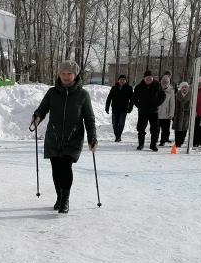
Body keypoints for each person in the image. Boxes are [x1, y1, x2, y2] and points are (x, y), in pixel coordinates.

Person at [30, 60, 97, 214]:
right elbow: (42, 109)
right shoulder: (52, 93)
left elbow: (89, 119)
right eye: (63, 73)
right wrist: (37, 116)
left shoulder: (82, 95)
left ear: (75, 75)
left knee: (66, 167)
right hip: (53, 137)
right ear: (59, 74)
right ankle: (59, 197)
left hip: (73, 138)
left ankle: (65, 200)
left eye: (69, 74)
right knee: (56, 169)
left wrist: (92, 138)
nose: (66, 76)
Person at [132, 69, 166, 151]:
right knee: (141, 129)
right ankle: (141, 144)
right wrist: (139, 106)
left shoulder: (157, 85)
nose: (149, 79)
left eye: (150, 78)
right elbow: (134, 98)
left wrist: (157, 104)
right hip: (143, 111)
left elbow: (163, 96)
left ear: (152, 78)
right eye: (147, 78)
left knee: (155, 129)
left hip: (154, 112)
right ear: (144, 78)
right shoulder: (139, 87)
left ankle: (153, 145)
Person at [104, 74, 133, 142]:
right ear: (118, 80)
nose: (122, 81)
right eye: (121, 79)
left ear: (126, 81)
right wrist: (107, 107)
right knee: (114, 123)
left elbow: (132, 99)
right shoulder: (114, 88)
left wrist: (130, 108)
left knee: (121, 123)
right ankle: (117, 136)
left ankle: (118, 137)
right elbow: (109, 98)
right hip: (115, 108)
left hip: (124, 109)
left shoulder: (129, 88)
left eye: (124, 80)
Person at [157, 74, 175, 146]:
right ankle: (155, 139)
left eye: (166, 82)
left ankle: (163, 141)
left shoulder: (171, 91)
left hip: (166, 114)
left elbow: (172, 104)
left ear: (168, 82)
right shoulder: (157, 89)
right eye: (163, 81)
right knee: (156, 129)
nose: (164, 83)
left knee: (165, 129)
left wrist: (171, 113)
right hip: (157, 113)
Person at [173, 82, 191, 147]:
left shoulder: (191, 95)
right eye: (183, 87)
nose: (184, 89)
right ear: (181, 88)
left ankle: (181, 141)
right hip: (178, 114)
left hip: (186, 115)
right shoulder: (177, 95)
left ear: (188, 88)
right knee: (177, 129)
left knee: (184, 129)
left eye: (186, 87)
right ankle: (177, 142)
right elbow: (174, 105)